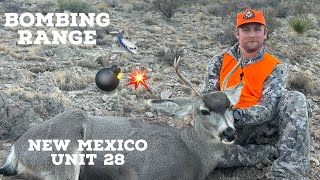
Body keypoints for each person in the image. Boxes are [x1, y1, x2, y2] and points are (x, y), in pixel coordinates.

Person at [201, 8, 311, 180]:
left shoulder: (274, 67)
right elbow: (208, 99)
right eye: (246, 29)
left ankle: (290, 171)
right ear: (237, 33)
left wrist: (238, 114)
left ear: (265, 33)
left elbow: (268, 108)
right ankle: (262, 154)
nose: (252, 34)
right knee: (194, 147)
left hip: (261, 130)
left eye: (257, 29)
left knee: (295, 98)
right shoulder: (218, 61)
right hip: (226, 131)